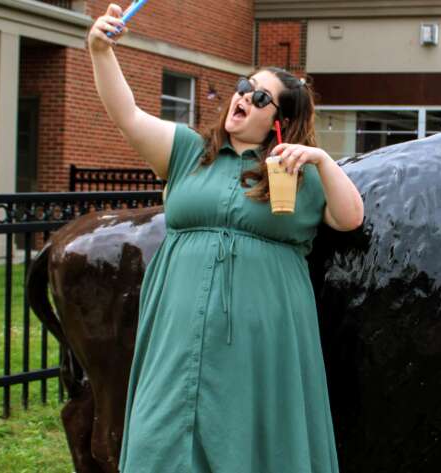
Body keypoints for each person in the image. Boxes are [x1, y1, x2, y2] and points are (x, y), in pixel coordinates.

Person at [88, 4, 364, 472]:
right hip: (178, 331)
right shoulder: (189, 152)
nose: (244, 97)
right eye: (244, 87)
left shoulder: (297, 172)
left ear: (283, 120)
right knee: (164, 434)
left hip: (262, 340)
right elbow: (127, 115)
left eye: (261, 98)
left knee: (252, 442)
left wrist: (321, 159)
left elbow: (349, 217)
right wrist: (100, 51)